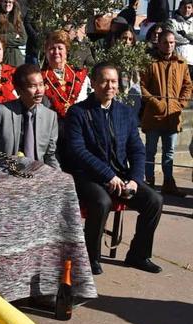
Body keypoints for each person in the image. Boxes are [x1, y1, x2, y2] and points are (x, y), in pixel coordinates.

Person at [66, 62, 164, 275]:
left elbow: (137, 150)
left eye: (113, 81)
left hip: (122, 176)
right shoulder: (78, 112)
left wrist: (135, 180)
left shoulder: (125, 113)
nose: (109, 86)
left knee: (154, 201)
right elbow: (78, 151)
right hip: (89, 177)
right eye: (104, 81)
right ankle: (90, 257)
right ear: (93, 83)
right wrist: (108, 175)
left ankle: (138, 254)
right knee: (102, 202)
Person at [141, 30, 192, 196]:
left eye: (171, 42)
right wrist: (156, 102)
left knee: (169, 152)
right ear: (158, 43)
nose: (169, 45)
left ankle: (168, 183)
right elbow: (141, 86)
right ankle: (148, 183)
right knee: (150, 151)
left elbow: (188, 85)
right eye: (165, 42)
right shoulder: (150, 63)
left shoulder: (181, 63)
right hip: (154, 116)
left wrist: (180, 103)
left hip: (172, 117)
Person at [0, 63, 59, 168]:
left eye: (41, 84)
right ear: (19, 89)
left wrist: (58, 176)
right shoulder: (2, 112)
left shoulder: (50, 116)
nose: (39, 90)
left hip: (38, 173)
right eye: (33, 86)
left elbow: (50, 156)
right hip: (5, 170)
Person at [42, 30, 90, 122]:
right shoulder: (39, 78)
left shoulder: (80, 76)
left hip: (78, 125)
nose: (56, 52)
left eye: (60, 48)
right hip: (51, 127)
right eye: (52, 48)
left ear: (66, 51)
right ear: (46, 51)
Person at [0, 0, 27, 66]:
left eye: (10, 2)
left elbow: (23, 39)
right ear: (1, 2)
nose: (7, 4)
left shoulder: (16, 17)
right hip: (2, 56)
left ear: (13, 3)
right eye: (5, 2)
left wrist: (3, 38)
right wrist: (14, 36)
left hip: (16, 58)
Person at [167, 0, 193, 79]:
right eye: (184, 7)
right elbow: (172, 36)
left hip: (191, 62)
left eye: (189, 7)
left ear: (192, 10)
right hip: (177, 60)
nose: (186, 10)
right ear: (179, 8)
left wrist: (184, 34)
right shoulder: (172, 22)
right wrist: (189, 40)